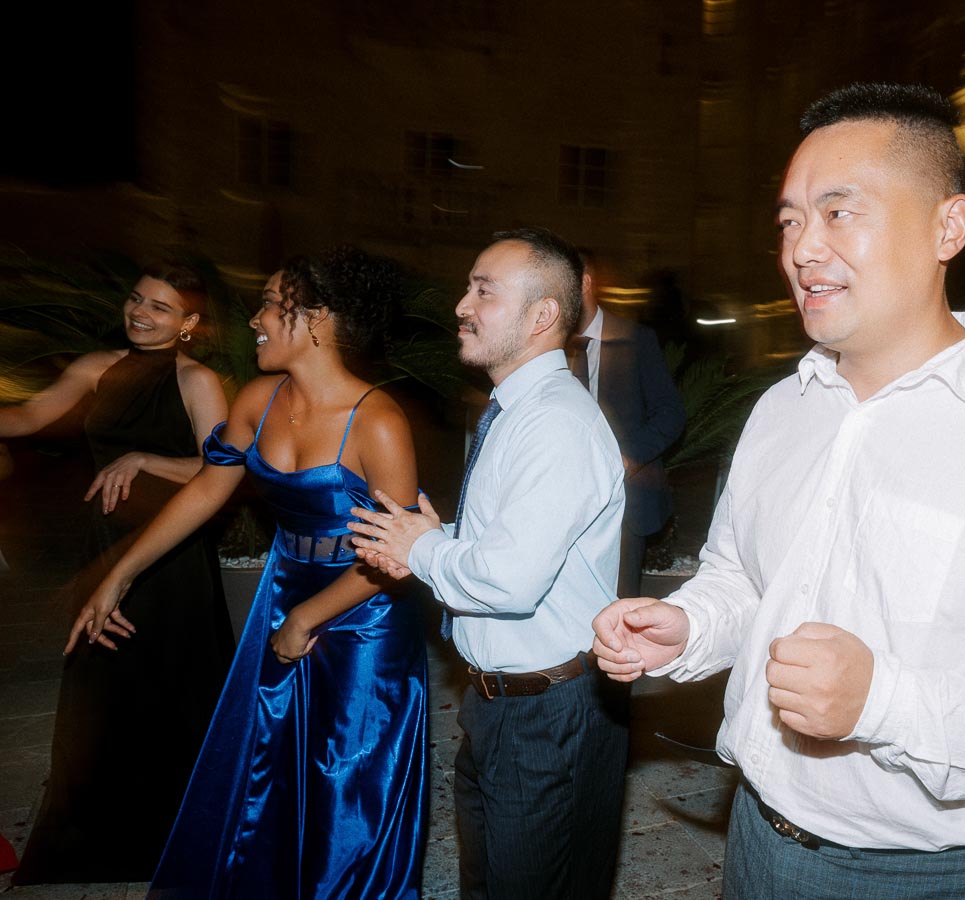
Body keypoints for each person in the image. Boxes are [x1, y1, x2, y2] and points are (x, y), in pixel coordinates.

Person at [592, 82, 965, 899]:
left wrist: (882, 701)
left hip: (925, 876)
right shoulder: (783, 409)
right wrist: (688, 626)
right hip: (756, 835)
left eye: (838, 212)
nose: (801, 249)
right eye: (789, 221)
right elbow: (746, 579)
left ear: (948, 227)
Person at [74, 247, 427, 898]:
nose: (255, 320)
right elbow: (208, 491)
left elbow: (397, 557)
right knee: (267, 771)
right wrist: (119, 574)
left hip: (362, 613)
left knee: (345, 782)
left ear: (316, 319)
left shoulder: (377, 421)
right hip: (284, 590)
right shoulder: (258, 399)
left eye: (270, 304)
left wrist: (308, 617)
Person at [348, 226, 629, 899]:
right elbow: (508, 546)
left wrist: (422, 548)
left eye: (484, 291)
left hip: (545, 714)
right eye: (468, 287)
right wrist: (440, 544)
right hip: (501, 701)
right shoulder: (514, 411)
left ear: (541, 317)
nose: (460, 305)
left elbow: (509, 579)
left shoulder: (553, 423)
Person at [0, 263, 233, 884]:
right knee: (101, 693)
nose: (141, 312)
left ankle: (182, 837)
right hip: (104, 544)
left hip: (174, 562)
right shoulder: (95, 366)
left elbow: (225, 470)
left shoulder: (196, 378)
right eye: (136, 298)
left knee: (171, 691)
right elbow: (24, 420)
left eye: (161, 307)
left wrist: (147, 456)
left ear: (187, 324)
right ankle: (98, 841)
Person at [571, 249, 685, 596]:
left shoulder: (636, 339)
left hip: (624, 500)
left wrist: (625, 459)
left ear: (585, 283)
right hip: (564, 497)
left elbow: (670, 414)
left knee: (618, 606)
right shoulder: (548, 345)